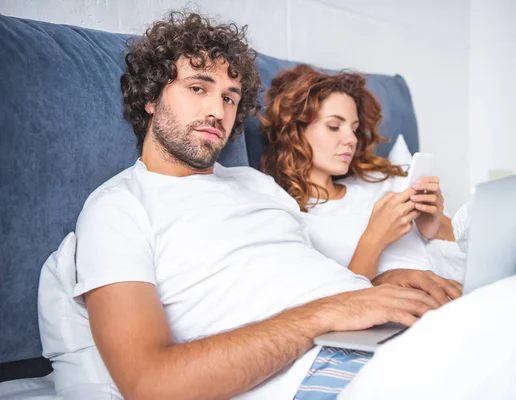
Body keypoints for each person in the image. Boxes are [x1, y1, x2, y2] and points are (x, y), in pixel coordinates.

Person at [64, 11, 461, 400]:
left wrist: (383, 284)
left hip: (381, 337)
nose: (216, 111)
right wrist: (325, 314)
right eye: (197, 88)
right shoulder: (118, 207)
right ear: (151, 97)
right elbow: (150, 384)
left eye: (229, 97)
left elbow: (311, 280)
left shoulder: (257, 185)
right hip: (319, 370)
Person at [261, 65, 465, 281]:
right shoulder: (292, 214)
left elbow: (469, 250)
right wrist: (374, 238)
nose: (352, 139)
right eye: (334, 126)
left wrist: (434, 227)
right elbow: (338, 304)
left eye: (354, 128)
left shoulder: (386, 180)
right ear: (294, 131)